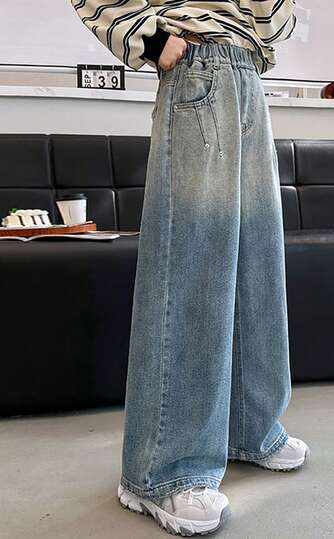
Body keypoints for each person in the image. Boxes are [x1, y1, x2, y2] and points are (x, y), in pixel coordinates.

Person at [71, 0, 310, 535]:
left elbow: (277, 23)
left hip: (247, 73)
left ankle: (249, 426)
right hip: (198, 68)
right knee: (193, 268)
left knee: (256, 263)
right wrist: (150, 40)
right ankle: (161, 470)